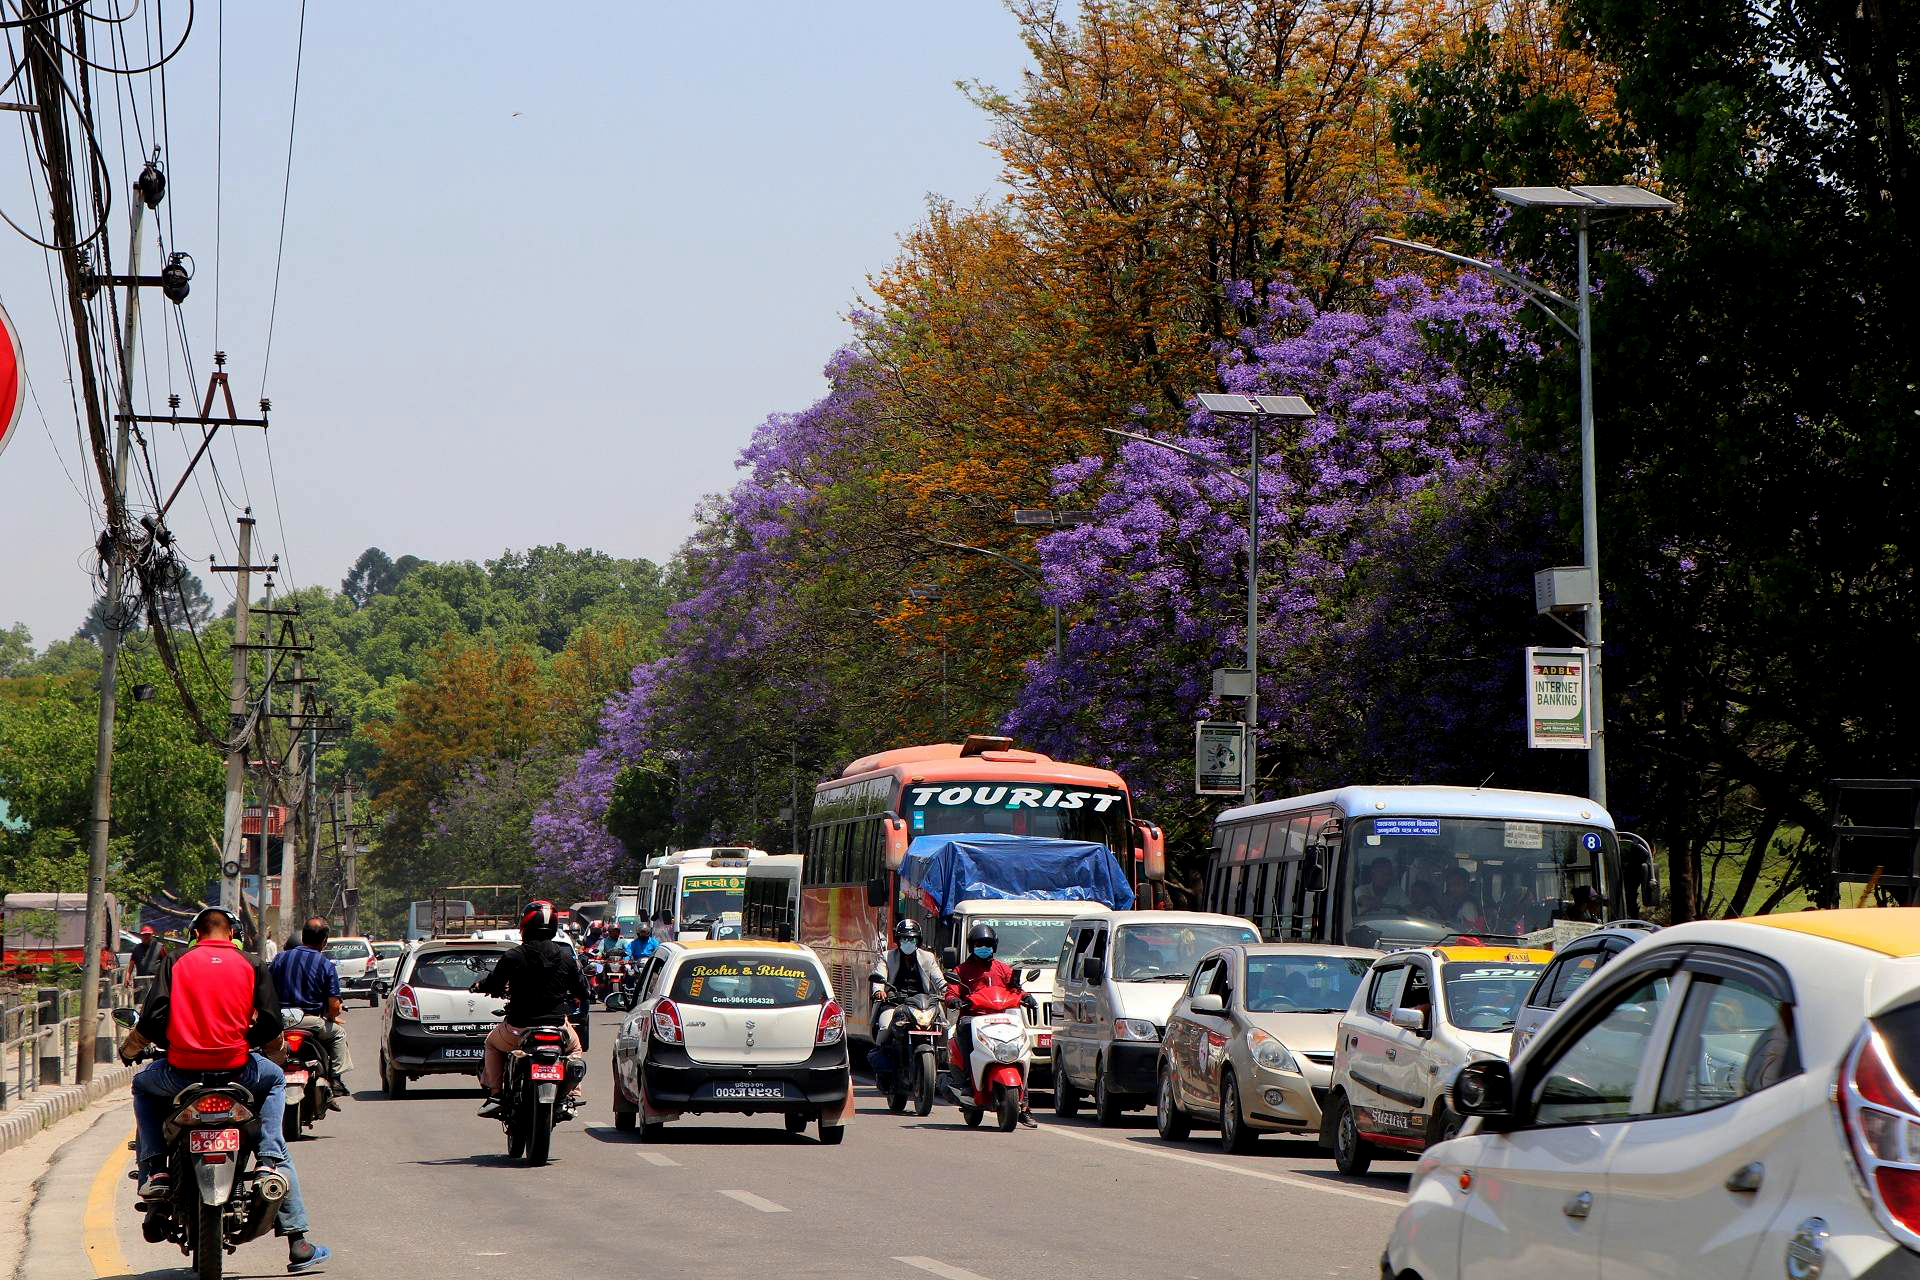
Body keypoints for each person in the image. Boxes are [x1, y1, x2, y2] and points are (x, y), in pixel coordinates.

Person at [117, 907, 331, 1273]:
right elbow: (268, 1023)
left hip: (181, 1073)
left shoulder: (177, 961)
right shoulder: (251, 964)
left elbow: (152, 1019)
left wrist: (129, 1049)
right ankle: (271, 1174)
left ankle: (154, 1168)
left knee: (143, 1085)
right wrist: (272, 1053)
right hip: (238, 1071)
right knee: (276, 1085)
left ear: (195, 934)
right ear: (232, 933)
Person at [474, 901, 589, 1119]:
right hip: (557, 1028)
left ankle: (496, 1095)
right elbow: (583, 992)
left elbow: (494, 982)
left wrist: (480, 986)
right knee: (574, 1051)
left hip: (518, 1027)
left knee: (491, 1044)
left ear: (525, 926)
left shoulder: (513, 956)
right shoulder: (566, 957)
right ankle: (570, 1095)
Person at [944, 923, 1034, 1128]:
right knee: (965, 1029)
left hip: (1002, 1017)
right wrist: (953, 1000)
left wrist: (1027, 997)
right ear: (971, 946)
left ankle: (1025, 1106)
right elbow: (951, 991)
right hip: (973, 1018)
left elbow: (1016, 988)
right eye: (979, 944)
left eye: (987, 944)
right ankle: (968, 1081)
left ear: (994, 946)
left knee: (1021, 1052)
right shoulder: (962, 970)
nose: (983, 947)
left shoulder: (1003, 969)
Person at [267, 917, 352, 1105]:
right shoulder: (325, 964)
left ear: (303, 936)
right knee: (338, 1035)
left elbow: (266, 990)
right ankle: (336, 1079)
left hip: (279, 1021)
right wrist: (331, 1018)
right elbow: (334, 1006)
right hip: (309, 1021)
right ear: (324, 941)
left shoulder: (280, 958)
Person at [866, 918, 948, 1086]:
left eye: (911, 939)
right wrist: (879, 991)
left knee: (945, 1026)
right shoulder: (887, 956)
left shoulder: (928, 957)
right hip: (895, 1002)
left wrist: (950, 992)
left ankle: (944, 1061)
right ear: (898, 941)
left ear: (918, 940)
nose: (908, 942)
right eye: (904, 939)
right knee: (884, 1026)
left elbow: (940, 981)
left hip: (923, 1004)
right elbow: (879, 978)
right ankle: (882, 1061)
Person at [126, 925, 166, 990]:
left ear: (151, 935)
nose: (146, 937)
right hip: (141, 982)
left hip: (155, 981)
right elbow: (131, 964)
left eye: (148, 935)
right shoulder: (137, 949)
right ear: (141, 936)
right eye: (144, 935)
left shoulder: (159, 947)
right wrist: (127, 977)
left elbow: (166, 963)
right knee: (140, 999)